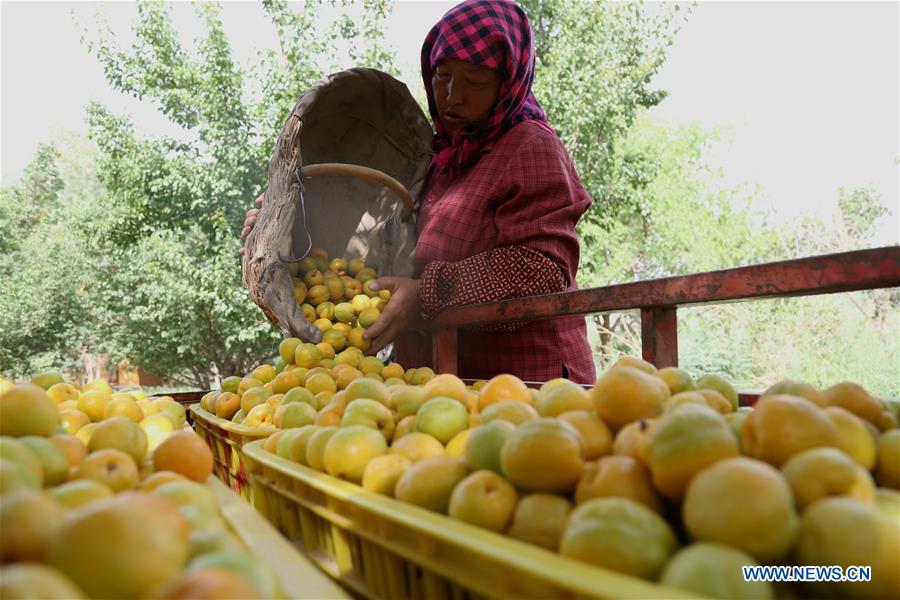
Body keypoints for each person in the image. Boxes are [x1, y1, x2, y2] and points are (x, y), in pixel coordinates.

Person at [243, 0, 595, 384]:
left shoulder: (530, 147)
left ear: (509, 81)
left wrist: (426, 293)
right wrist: (286, 227)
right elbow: (381, 240)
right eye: (442, 76)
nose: (452, 96)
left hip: (522, 382)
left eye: (474, 82)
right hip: (437, 382)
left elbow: (541, 269)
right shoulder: (436, 155)